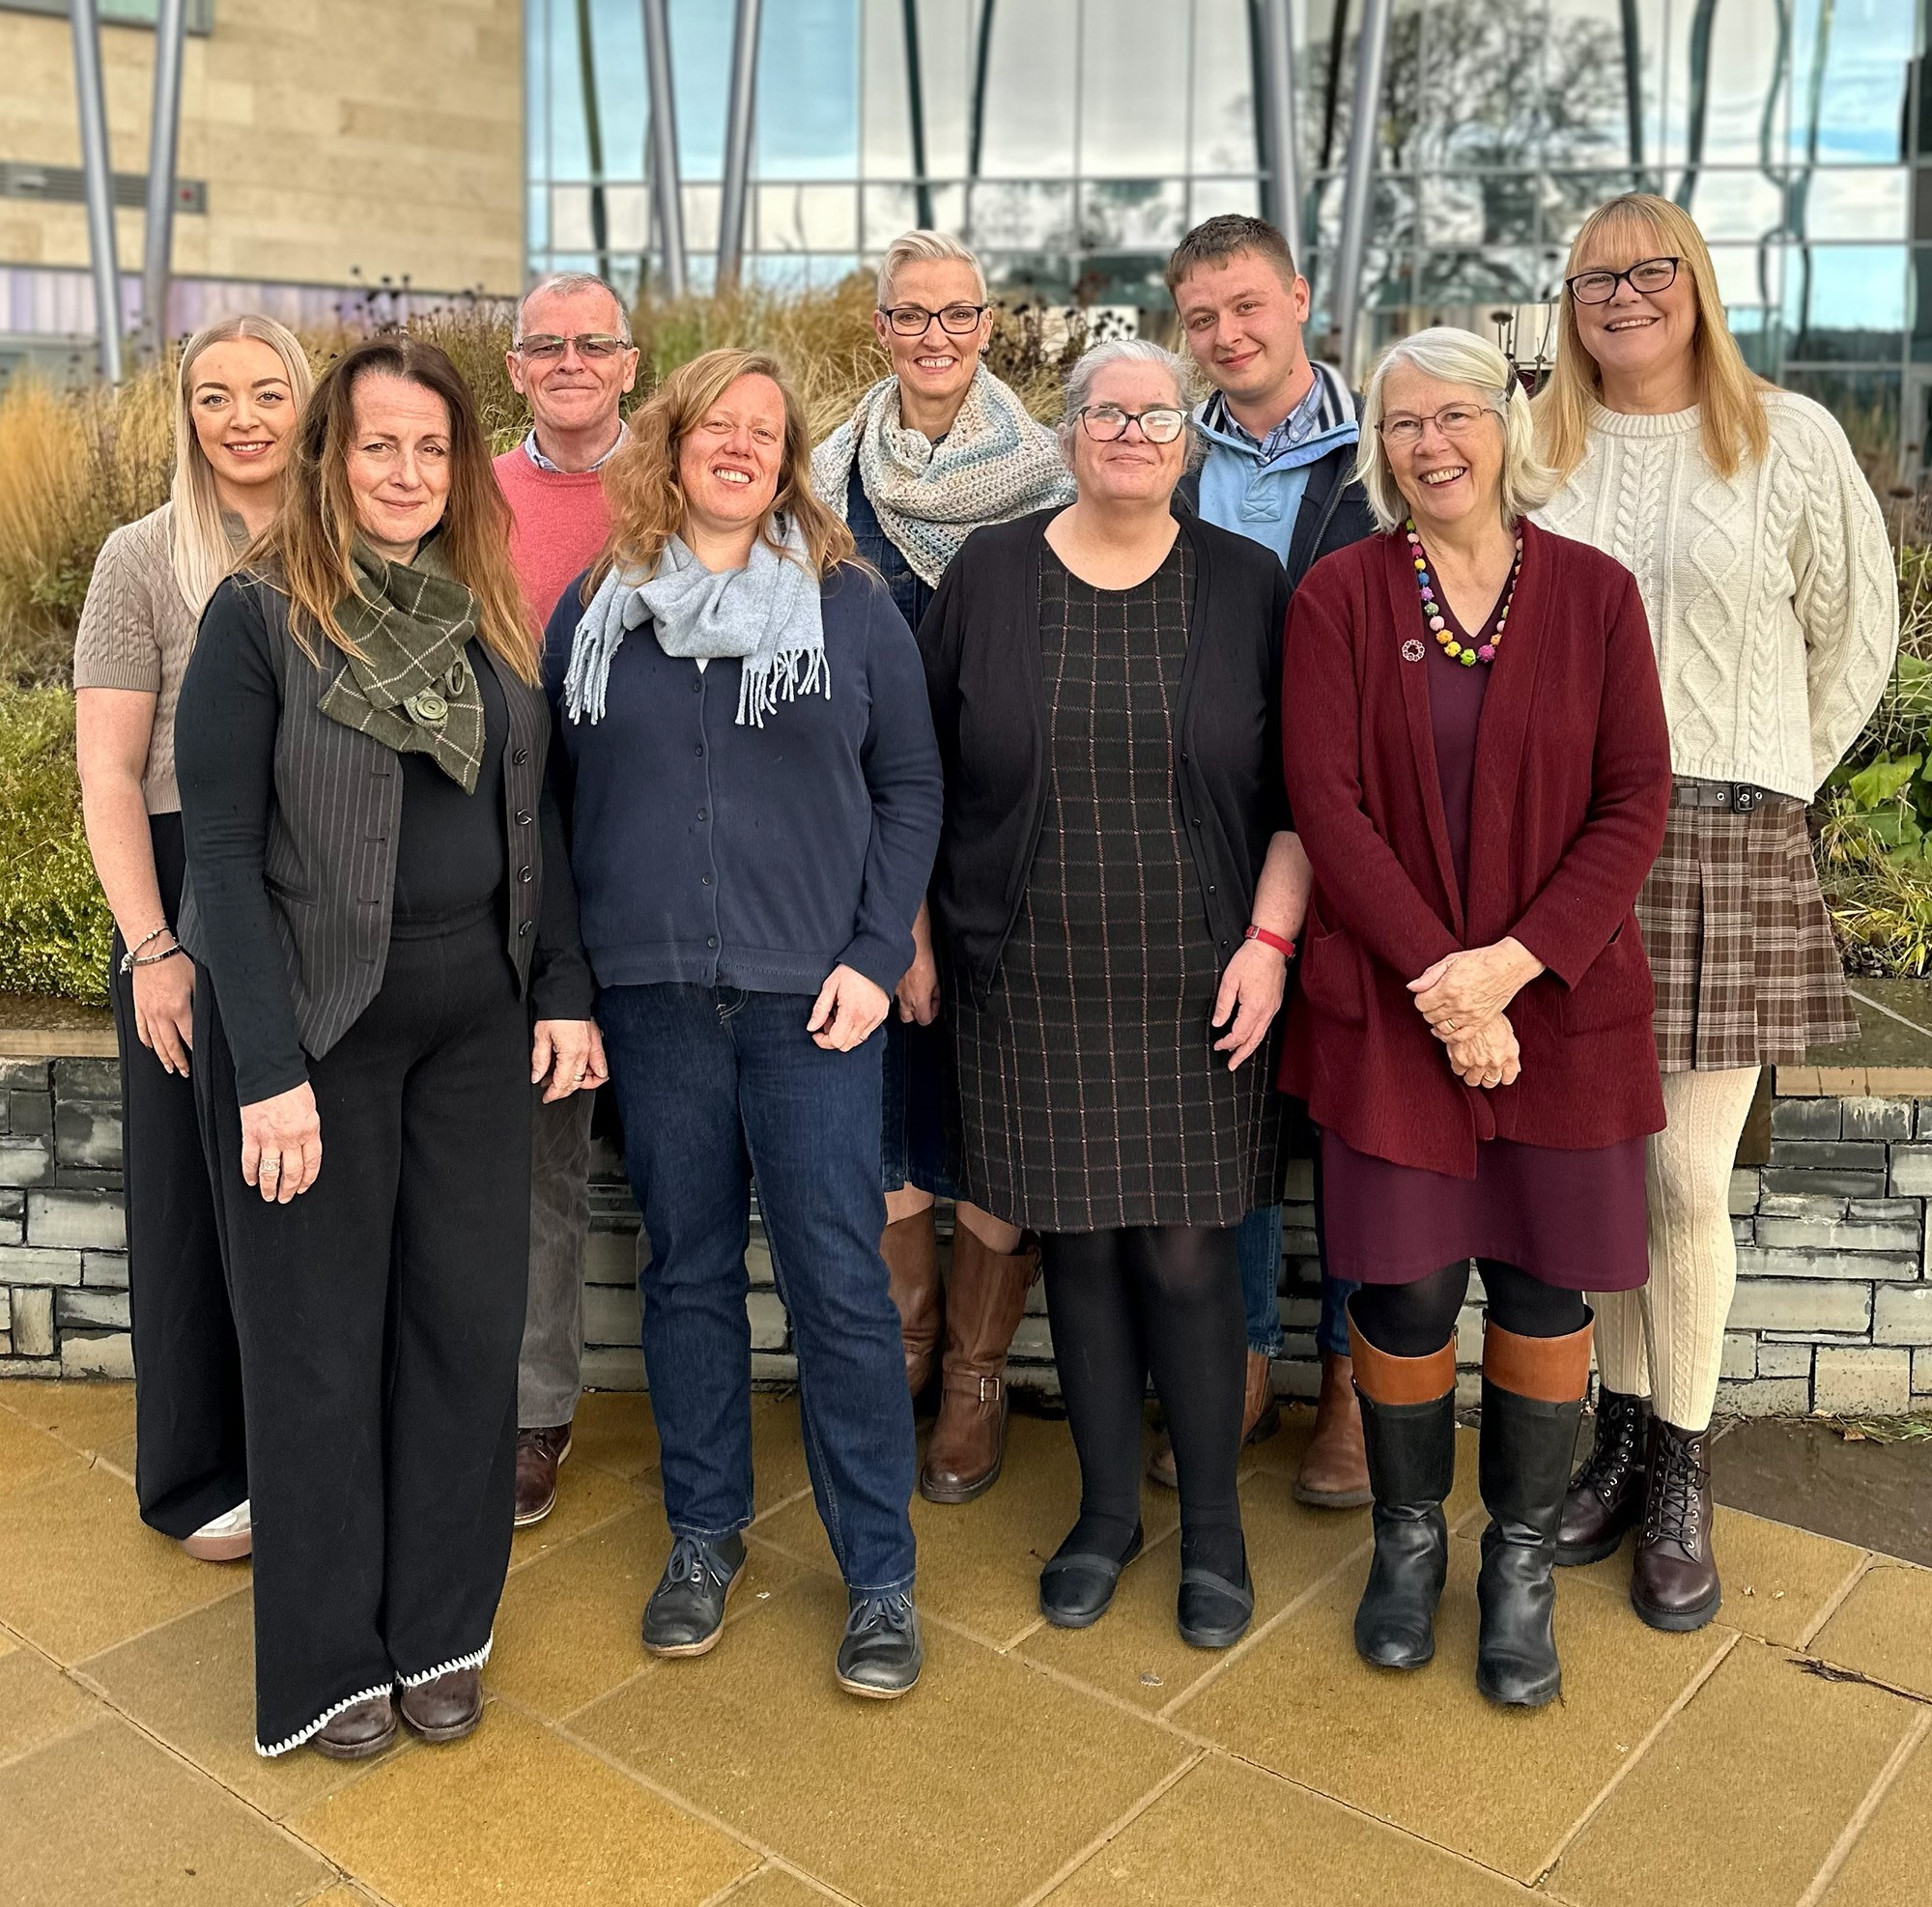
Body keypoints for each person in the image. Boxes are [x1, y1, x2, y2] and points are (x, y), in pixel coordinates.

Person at [175, 335, 599, 1759]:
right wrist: (270, 1068)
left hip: (476, 1022)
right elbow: (222, 858)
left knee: (462, 1332)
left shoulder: (490, 615)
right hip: (319, 1027)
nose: (405, 471)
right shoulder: (260, 619)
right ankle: (327, 1657)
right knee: (316, 1348)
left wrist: (564, 988)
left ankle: (440, 1630)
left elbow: (536, 822)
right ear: (329, 459)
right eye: (377, 445)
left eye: (430, 447)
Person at [1283, 327, 1672, 1706]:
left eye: (1455, 415)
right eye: (1401, 424)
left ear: (1507, 424)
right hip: (1395, 1014)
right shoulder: (1337, 595)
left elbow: (1638, 798)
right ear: (1378, 450)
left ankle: (1513, 1559)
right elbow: (1325, 803)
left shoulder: (1597, 595)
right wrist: (1447, 988)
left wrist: (1509, 969)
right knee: (1398, 1288)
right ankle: (1404, 1545)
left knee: (1542, 1290)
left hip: (1560, 1011)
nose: (1431, 443)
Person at [550, 348, 941, 1699]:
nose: (740, 446)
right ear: (671, 441)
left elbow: (911, 787)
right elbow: (545, 806)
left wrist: (877, 952)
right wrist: (567, 983)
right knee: (688, 1270)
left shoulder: (850, 605)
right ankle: (705, 1535)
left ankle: (879, 1572)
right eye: (717, 423)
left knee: (840, 1282)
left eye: (765, 432)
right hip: (652, 1000)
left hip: (814, 1004)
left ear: (787, 463)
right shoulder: (597, 609)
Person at [1534, 195, 1898, 1630]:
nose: (1622, 296)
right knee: (1608, 1176)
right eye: (1593, 278)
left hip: (1730, 841)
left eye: (1650, 270)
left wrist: (1773, 775)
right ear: (1566, 302)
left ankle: (1684, 1468)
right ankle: (1621, 1438)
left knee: (1685, 1181)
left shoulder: (1785, 437)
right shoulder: (1543, 451)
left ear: (1697, 284)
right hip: (1575, 851)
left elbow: (1857, 627)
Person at [921, 338, 1305, 1649]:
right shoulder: (990, 574)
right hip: (1028, 972)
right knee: (1077, 1246)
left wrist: (1268, 943)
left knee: (1192, 1256)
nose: (1131, 433)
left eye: (1155, 414)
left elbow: (1300, 799)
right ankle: (1102, 1513)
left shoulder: (1249, 585)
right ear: (1068, 432)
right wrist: (915, 930)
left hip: (1202, 975)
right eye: (1106, 412)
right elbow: (918, 771)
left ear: (1185, 441)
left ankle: (1212, 1527)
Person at [813, 229, 1075, 1504]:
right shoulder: (823, 482)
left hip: (1009, 840)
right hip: (862, 835)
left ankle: (974, 1372)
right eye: (908, 315)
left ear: (989, 324)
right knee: (884, 1089)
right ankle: (905, 1336)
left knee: (993, 1094)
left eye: (955, 313)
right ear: (879, 328)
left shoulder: (1048, 478)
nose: (932, 336)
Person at [75, 315, 313, 1566]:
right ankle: (200, 1465)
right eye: (215, 395)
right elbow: (109, 770)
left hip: (323, 877)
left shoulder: (352, 546)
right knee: (188, 1185)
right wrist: (153, 946)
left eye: (268, 391)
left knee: (309, 1181)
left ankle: (313, 1451)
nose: (243, 416)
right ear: (188, 413)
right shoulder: (141, 559)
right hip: (185, 883)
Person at [1160, 212, 1376, 1509]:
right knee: (1226, 1104)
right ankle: (1234, 1364)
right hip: (1218, 831)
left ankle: (1351, 1383)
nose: (1229, 335)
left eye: (1248, 305)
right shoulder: (1168, 457)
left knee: (1353, 1118)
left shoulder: (1387, 454)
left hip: (1361, 829)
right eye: (1202, 318)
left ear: (1298, 295)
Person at [494, 270, 640, 1526]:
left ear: (632, 362)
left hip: (659, 865)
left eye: (595, 341)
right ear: (516, 367)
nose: (573, 358)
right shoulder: (472, 501)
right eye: (550, 343)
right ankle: (535, 1411)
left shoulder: (682, 479)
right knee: (540, 1155)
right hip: (515, 877)